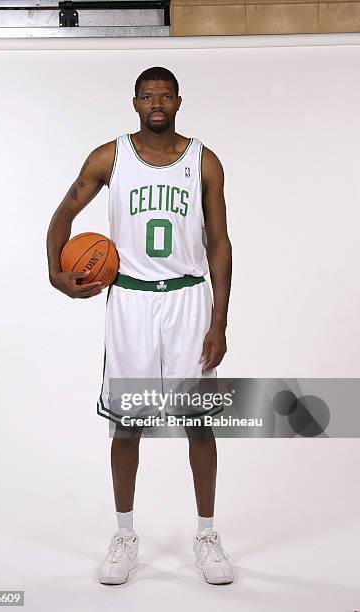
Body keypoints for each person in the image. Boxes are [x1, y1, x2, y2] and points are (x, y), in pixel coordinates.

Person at [46, 66, 233, 585]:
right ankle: (125, 535)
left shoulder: (204, 161)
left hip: (188, 300)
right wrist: (55, 273)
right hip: (129, 302)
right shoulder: (110, 157)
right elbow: (63, 212)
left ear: (178, 101)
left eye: (165, 96)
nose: (157, 103)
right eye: (147, 96)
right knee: (128, 426)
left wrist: (219, 318)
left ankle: (207, 534)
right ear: (134, 102)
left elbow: (219, 242)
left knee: (199, 423)